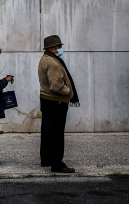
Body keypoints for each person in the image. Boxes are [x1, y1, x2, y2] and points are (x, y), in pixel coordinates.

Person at [38, 35, 78, 173]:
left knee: (47, 132)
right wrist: (69, 93)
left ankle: (46, 159)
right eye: (58, 47)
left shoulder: (45, 58)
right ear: (52, 48)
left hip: (47, 100)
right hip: (56, 102)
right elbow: (56, 86)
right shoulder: (53, 62)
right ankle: (57, 164)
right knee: (56, 133)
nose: (61, 49)